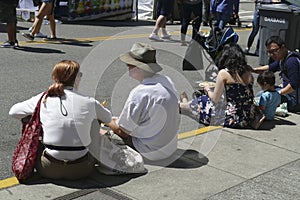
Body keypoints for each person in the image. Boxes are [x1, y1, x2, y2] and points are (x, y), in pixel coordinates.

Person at [9, 60, 112, 180]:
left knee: (30, 116)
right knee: (95, 121)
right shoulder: (89, 101)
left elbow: (13, 112)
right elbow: (108, 118)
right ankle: (98, 159)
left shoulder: (44, 98)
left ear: (55, 77)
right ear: (77, 79)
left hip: (48, 168)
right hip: (82, 169)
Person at [106, 43, 180, 161]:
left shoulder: (140, 93)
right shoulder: (167, 81)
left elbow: (123, 131)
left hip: (149, 152)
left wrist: (105, 119)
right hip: (170, 149)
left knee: (103, 133)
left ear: (139, 68)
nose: (127, 67)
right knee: (117, 122)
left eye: (129, 64)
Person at [179, 43, 255, 128]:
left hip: (232, 117)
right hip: (247, 116)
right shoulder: (248, 71)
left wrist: (207, 89)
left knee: (203, 100)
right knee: (205, 100)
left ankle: (182, 105)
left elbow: (215, 99)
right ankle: (185, 104)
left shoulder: (224, 73)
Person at [252, 36, 300, 112]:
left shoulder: (291, 61)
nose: (272, 55)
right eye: (269, 52)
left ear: (283, 47)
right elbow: (270, 68)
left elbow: (294, 84)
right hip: (288, 94)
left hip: (295, 101)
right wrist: (253, 70)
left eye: (274, 51)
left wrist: (277, 94)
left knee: (262, 96)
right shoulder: (282, 58)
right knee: (263, 93)